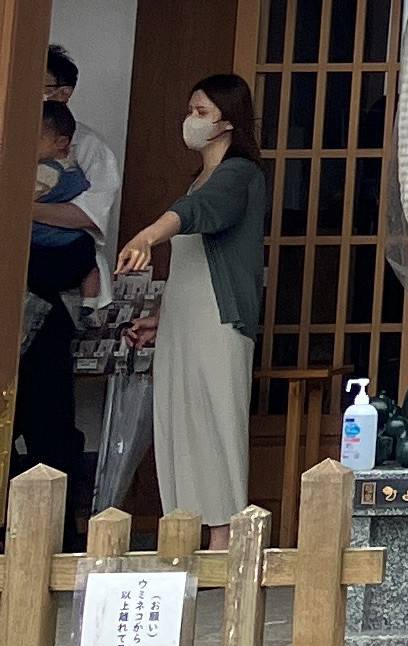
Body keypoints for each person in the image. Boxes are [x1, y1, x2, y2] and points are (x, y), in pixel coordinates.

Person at [115, 72, 267, 540]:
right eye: (191, 110)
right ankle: (189, 531)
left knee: (213, 420)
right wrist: (162, 318)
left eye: (202, 113)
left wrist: (148, 235)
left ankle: (224, 539)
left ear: (228, 123)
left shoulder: (238, 174)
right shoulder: (199, 178)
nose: (191, 120)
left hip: (220, 317)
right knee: (180, 423)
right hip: (185, 319)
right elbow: (191, 262)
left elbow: (204, 215)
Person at [13, 97, 101, 517]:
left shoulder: (56, 172)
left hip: (43, 324)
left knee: (49, 436)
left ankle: (55, 531)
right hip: (36, 313)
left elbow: (85, 232)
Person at [45, 47, 122, 289]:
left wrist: (21, 208)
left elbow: (88, 216)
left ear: (64, 93)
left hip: (66, 271)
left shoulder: (90, 146)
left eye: (41, 86)